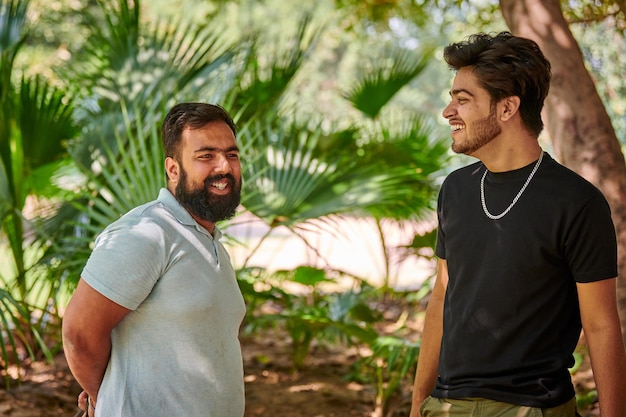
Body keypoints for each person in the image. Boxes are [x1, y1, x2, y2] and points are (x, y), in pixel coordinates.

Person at [409, 32, 626, 417]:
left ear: (507, 108)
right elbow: (442, 298)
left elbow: (601, 326)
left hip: (532, 408)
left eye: (462, 100)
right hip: (445, 406)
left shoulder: (576, 202)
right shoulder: (455, 190)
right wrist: (417, 404)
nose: (448, 112)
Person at [62, 102, 246, 417]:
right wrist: (103, 397)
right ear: (173, 169)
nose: (224, 167)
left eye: (231, 154)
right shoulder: (146, 234)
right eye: (206, 156)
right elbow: (79, 333)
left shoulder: (210, 243)